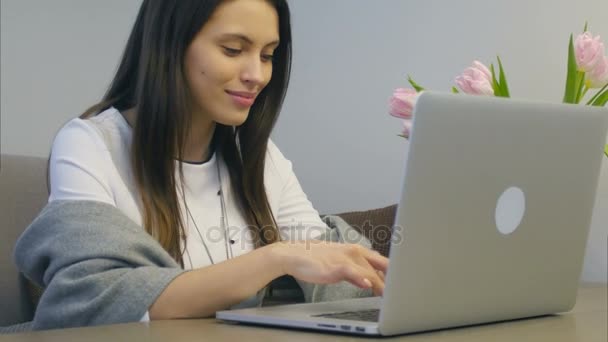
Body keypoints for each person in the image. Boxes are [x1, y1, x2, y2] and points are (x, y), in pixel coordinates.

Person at [27, 0, 387, 322]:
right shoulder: (90, 144)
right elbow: (93, 299)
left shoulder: (258, 157)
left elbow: (325, 264)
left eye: (267, 55)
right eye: (233, 50)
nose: (257, 75)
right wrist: (276, 258)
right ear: (171, 45)